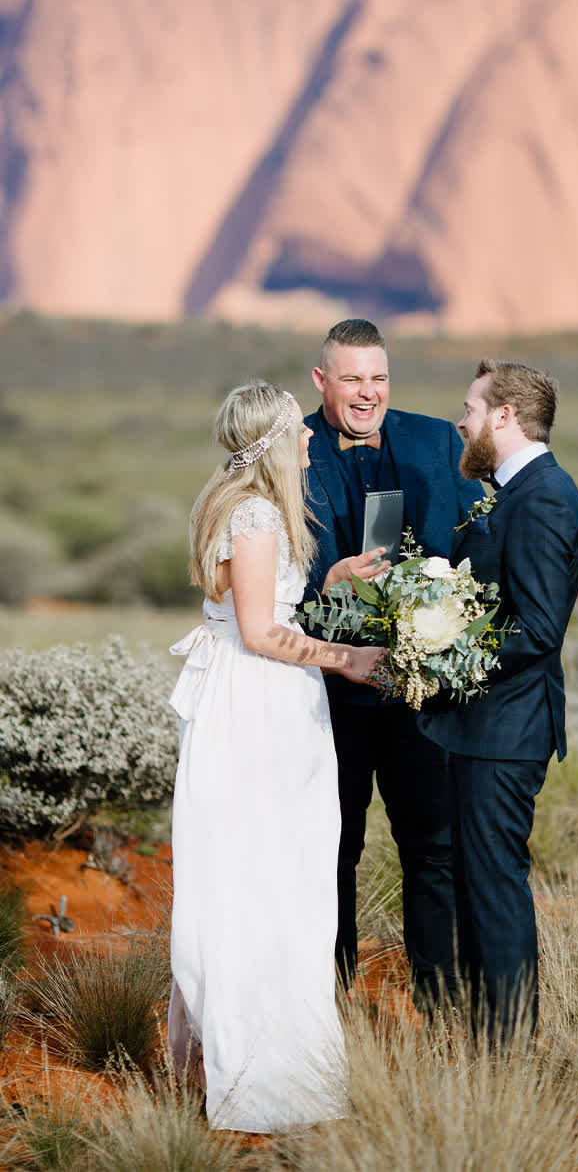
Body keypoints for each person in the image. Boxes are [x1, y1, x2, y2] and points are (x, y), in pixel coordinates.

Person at [167, 381, 385, 1132]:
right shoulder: (257, 512)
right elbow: (261, 632)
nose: (311, 440)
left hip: (252, 697)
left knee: (264, 870)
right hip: (260, 704)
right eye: (300, 429)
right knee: (271, 876)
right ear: (273, 440)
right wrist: (346, 656)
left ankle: (238, 1052)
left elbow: (257, 606)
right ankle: (264, 1071)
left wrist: (329, 580)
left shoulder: (237, 505)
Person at [303, 319, 484, 1009]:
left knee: (432, 855)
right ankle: (330, 1003)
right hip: (328, 696)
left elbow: (477, 536)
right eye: (352, 378)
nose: (367, 393)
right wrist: (330, 581)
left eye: (378, 378)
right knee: (332, 853)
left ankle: (439, 1006)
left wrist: (456, 605)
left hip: (416, 696)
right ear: (323, 381)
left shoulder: (436, 440)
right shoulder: (292, 450)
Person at [419, 358, 578, 1043]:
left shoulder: (544, 496)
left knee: (493, 890)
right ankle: (486, 1042)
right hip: (481, 728)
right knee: (473, 887)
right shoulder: (509, 490)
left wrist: (443, 655)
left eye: (469, 406)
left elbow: (539, 629)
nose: (460, 420)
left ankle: (509, 1053)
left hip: (505, 729)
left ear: (504, 415)